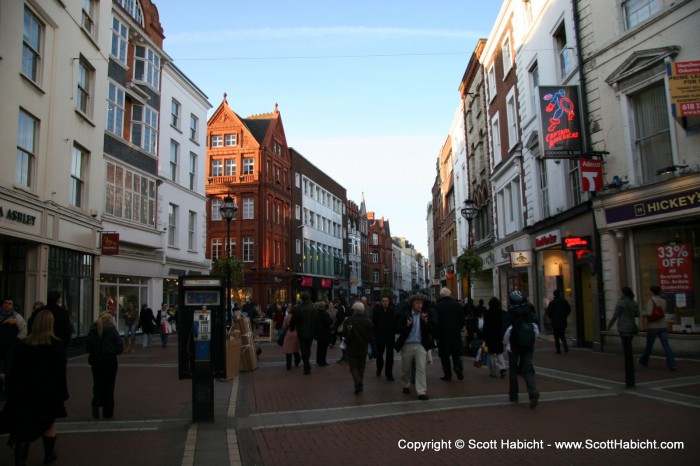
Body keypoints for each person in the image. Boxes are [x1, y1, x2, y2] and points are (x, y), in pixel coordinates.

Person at [0, 310, 68, 465]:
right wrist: (62, 393)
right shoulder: (56, 345)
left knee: (23, 426)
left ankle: (20, 459)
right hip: (47, 392)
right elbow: (60, 372)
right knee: (49, 424)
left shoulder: (23, 345)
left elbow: (15, 370)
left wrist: (11, 391)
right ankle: (49, 454)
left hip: (24, 391)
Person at [395, 294, 438, 400]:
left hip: (420, 345)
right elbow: (397, 329)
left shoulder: (425, 314)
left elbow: (433, 330)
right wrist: (407, 325)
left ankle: (421, 391)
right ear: (412, 304)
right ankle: (405, 384)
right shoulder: (405, 314)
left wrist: (426, 322)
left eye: (421, 303)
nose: (420, 305)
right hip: (407, 344)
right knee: (406, 368)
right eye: (417, 303)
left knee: (421, 368)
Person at [502, 290, 540, 408]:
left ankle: (514, 395)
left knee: (513, 370)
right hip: (528, 345)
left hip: (514, 346)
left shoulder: (510, 314)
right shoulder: (528, 312)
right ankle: (532, 391)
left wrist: (505, 344)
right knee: (527, 369)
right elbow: (535, 328)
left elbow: (506, 331)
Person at [86, 312, 124, 419]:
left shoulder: (93, 331)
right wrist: (112, 352)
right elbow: (120, 347)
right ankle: (108, 411)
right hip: (109, 361)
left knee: (97, 383)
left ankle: (96, 403)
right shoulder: (112, 331)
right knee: (109, 385)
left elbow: (88, 347)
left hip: (96, 361)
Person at [607, 286, 640, 388]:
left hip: (623, 327)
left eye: (621, 292)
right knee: (628, 345)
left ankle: (628, 367)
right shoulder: (633, 302)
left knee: (625, 346)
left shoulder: (621, 302)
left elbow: (616, 315)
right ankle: (630, 365)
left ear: (624, 293)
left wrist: (610, 325)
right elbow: (637, 314)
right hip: (631, 327)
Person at [639, 285, 676, 371]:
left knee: (649, 345)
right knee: (666, 346)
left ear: (652, 292)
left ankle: (644, 360)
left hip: (653, 326)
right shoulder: (663, 301)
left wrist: (641, 314)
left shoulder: (651, 301)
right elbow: (663, 311)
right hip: (663, 325)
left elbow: (649, 313)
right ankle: (672, 364)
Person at [344, 302, 376, 394]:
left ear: (354, 309)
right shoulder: (368, 321)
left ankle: (358, 382)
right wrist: (374, 349)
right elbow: (371, 337)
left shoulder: (349, 320)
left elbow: (344, 333)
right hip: (363, 346)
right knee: (361, 367)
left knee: (353, 366)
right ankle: (359, 385)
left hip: (352, 346)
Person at [435, 288, 465, 382]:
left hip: (443, 335)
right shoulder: (456, 305)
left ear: (441, 295)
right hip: (455, 334)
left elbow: (435, 321)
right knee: (456, 353)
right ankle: (458, 367)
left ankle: (447, 375)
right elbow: (462, 319)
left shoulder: (438, 306)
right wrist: (457, 328)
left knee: (444, 356)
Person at [0, 298, 27, 400]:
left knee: (8, 369)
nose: (7, 305)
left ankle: (7, 391)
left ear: (12, 306)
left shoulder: (17, 317)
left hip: (10, 347)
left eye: (9, 304)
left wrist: (16, 342)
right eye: (5, 303)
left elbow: (23, 331)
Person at [290, 292, 317, 374]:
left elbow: (294, 320)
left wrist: (292, 328)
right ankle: (306, 363)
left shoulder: (298, 308)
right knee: (308, 348)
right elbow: (315, 321)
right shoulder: (313, 308)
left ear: (301, 298)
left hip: (301, 331)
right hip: (311, 331)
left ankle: (306, 365)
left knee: (303, 348)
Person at [372, 296, 397, 381]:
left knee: (390, 356)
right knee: (379, 355)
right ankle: (379, 368)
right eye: (383, 301)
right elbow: (374, 324)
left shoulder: (392, 311)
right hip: (380, 337)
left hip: (390, 337)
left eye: (386, 301)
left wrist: (393, 331)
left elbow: (395, 323)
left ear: (389, 302)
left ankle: (389, 374)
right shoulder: (377, 312)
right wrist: (375, 335)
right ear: (381, 302)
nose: (385, 303)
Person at [483, 297, 506, 378]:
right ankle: (502, 368)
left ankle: (493, 372)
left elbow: (485, 325)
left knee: (491, 354)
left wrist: (484, 335)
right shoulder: (502, 312)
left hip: (490, 335)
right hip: (499, 335)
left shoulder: (487, 313)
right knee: (499, 353)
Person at [545, 289, 571, 354]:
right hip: (562, 321)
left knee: (556, 336)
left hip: (555, 322)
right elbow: (568, 309)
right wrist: (564, 315)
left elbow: (548, 312)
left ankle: (558, 350)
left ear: (554, 294)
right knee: (562, 335)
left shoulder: (552, 303)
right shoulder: (564, 301)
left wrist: (552, 317)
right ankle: (565, 347)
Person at [281, 305, 301, 370]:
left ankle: (288, 365)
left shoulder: (286, 317)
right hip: (296, 334)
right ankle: (297, 360)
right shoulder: (297, 317)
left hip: (288, 334)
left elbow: (284, 327)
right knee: (295, 349)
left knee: (288, 350)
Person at [315, 301, 331, 366]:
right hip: (325, 333)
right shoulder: (325, 314)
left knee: (319, 347)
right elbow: (328, 323)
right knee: (324, 348)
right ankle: (322, 361)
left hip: (318, 333)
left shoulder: (316, 313)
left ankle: (318, 360)